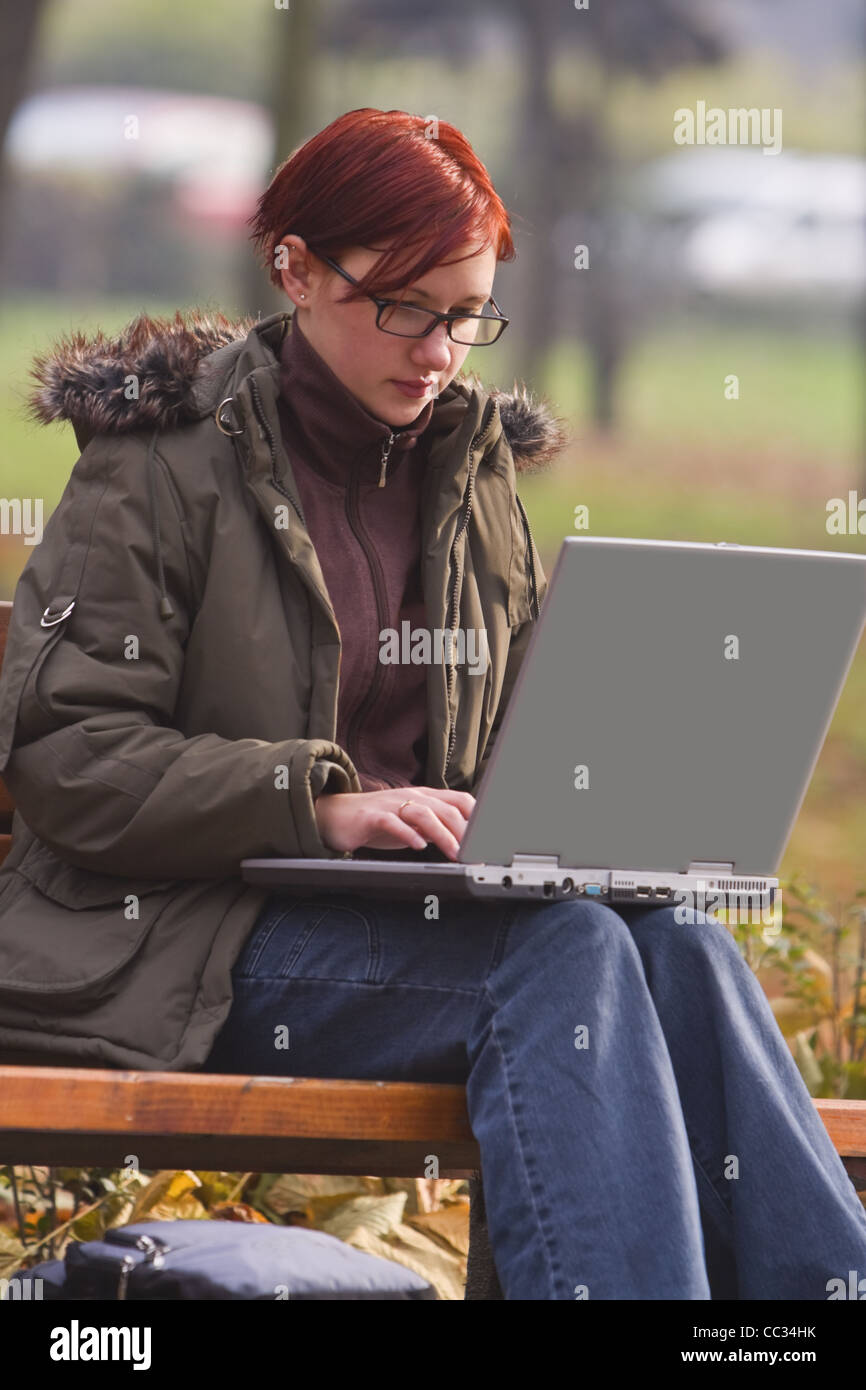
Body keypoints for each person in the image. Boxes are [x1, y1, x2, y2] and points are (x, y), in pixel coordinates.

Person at [1, 108, 864, 1300]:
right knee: (560, 960)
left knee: (678, 946)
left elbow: (511, 740)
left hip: (414, 922)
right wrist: (321, 804)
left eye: (466, 313)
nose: (440, 348)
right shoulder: (159, 463)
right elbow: (66, 754)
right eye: (404, 306)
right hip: (181, 937)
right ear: (294, 269)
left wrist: (600, 811)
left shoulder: (473, 475)